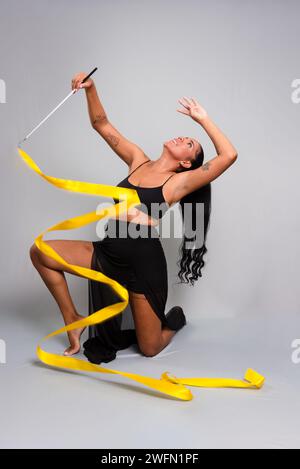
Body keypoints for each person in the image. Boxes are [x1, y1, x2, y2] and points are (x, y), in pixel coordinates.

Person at [29, 72, 238, 363]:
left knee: (149, 348)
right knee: (40, 252)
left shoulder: (179, 183)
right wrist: (90, 88)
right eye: (187, 137)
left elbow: (228, 155)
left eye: (189, 144)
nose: (183, 138)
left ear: (186, 163)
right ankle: (73, 319)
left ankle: (173, 321)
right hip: (108, 252)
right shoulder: (137, 159)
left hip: (143, 264)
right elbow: (101, 124)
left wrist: (202, 119)